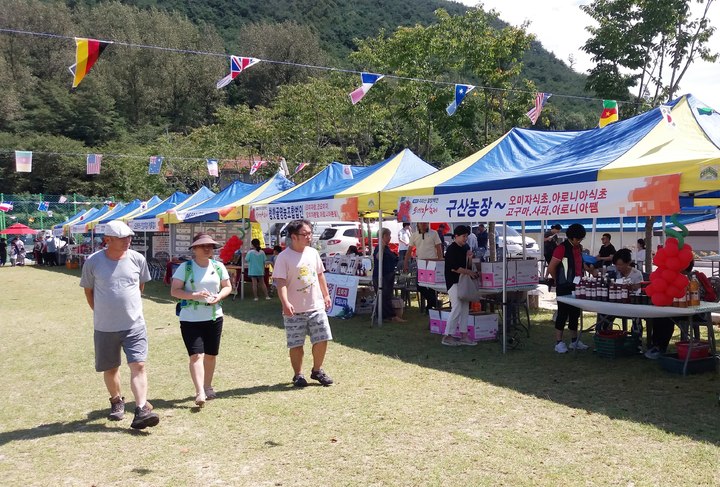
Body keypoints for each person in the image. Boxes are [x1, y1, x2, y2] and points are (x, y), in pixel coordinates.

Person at [79, 220, 159, 429]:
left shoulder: (137, 259)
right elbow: (88, 291)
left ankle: (141, 409)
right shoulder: (93, 262)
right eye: (122, 238)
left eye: (129, 237)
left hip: (134, 324)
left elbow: (140, 286)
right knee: (111, 367)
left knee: (138, 365)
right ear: (108, 240)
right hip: (105, 326)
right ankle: (116, 400)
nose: (127, 241)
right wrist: (102, 312)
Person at [171, 233, 232, 407]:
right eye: (203, 246)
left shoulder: (218, 266)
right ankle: (200, 392)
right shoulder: (185, 267)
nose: (207, 249)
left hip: (214, 316)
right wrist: (193, 295)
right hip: (190, 318)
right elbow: (175, 291)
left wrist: (219, 296)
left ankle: (208, 386)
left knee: (211, 355)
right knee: (196, 355)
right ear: (194, 248)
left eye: (210, 246)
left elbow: (227, 286)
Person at [272, 219, 334, 387]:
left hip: (316, 305)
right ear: (294, 236)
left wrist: (326, 295)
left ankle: (317, 370)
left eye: (310, 233)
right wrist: (285, 303)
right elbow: (281, 282)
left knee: (322, 338)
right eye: (305, 234)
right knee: (296, 344)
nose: (309, 237)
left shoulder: (313, 253)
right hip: (294, 309)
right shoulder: (283, 257)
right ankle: (298, 375)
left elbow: (320, 274)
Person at [645, 260, 718, 359]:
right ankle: (656, 345)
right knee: (660, 315)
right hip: (680, 308)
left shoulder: (693, 279)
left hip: (697, 312)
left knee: (667, 317)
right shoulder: (675, 277)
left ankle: (660, 347)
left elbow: (695, 298)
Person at [547, 223, 590, 353]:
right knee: (562, 313)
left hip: (577, 286)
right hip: (564, 286)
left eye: (581, 239)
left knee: (574, 314)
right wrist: (557, 280)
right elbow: (551, 268)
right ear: (572, 238)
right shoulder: (561, 248)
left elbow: (580, 264)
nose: (580, 241)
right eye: (578, 239)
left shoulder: (579, 248)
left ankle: (574, 341)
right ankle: (558, 343)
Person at [441, 225, 478, 346]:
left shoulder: (466, 247)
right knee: (457, 307)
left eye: (467, 236)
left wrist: (470, 258)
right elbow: (454, 268)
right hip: (453, 282)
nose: (465, 238)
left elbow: (468, 265)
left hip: (463, 282)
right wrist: (470, 273)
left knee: (465, 308)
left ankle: (464, 335)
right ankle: (448, 335)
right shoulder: (451, 249)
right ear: (456, 236)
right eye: (463, 236)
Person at [595, 249, 644, 331]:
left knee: (636, 317)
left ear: (628, 263)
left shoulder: (636, 274)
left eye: (621, 265)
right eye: (616, 264)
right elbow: (604, 280)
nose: (618, 267)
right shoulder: (613, 271)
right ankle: (604, 334)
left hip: (630, 305)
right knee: (604, 313)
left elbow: (639, 289)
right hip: (614, 304)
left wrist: (630, 287)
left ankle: (636, 339)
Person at [403, 222, 443, 312]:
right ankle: (434, 302)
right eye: (422, 223)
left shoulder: (434, 233)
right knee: (419, 285)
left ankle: (430, 307)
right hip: (421, 264)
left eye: (425, 223)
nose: (424, 225)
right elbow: (409, 250)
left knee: (432, 286)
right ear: (418, 224)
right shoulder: (414, 235)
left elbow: (439, 248)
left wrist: (440, 261)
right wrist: (406, 263)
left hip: (433, 263)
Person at [373, 227, 405, 323]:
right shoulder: (379, 247)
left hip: (388, 275)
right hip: (381, 275)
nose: (390, 237)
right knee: (384, 296)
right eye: (388, 235)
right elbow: (379, 257)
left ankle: (385, 316)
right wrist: (382, 246)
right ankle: (391, 316)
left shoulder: (387, 247)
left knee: (386, 296)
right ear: (383, 236)